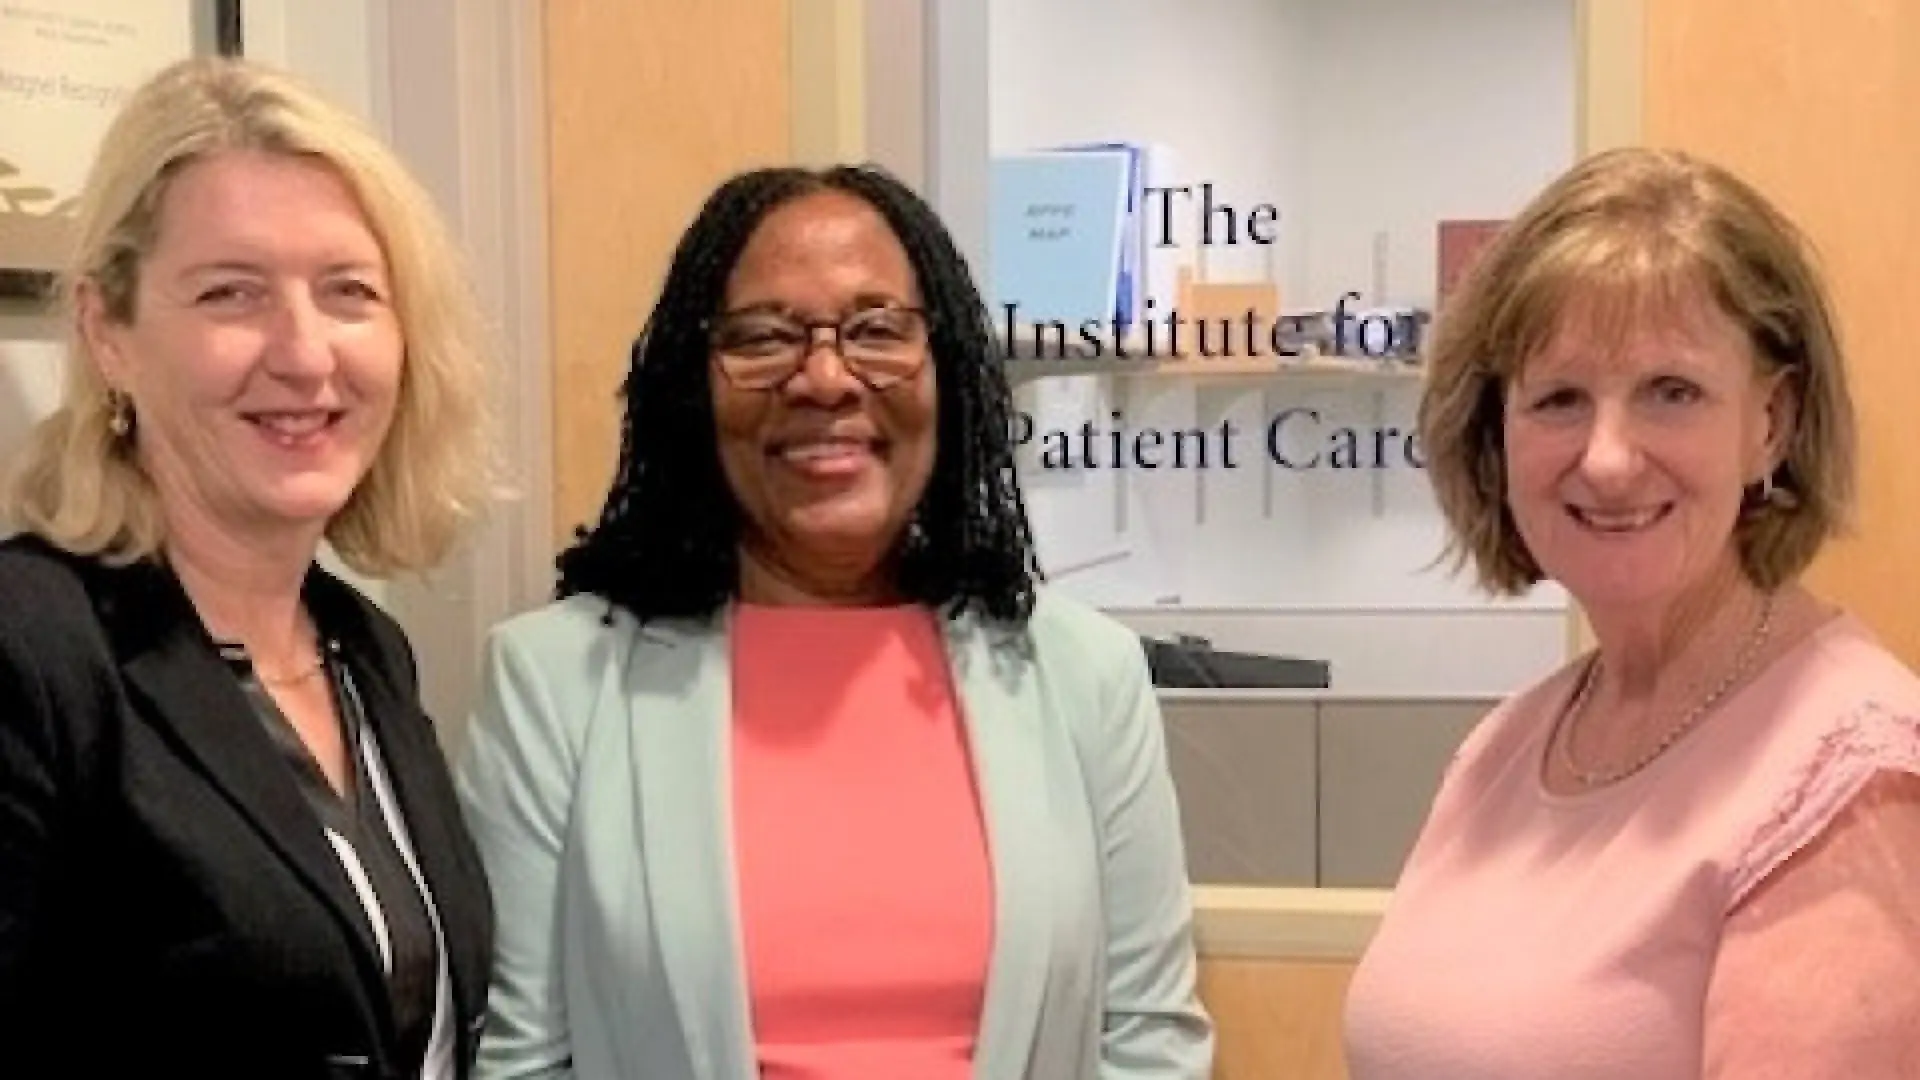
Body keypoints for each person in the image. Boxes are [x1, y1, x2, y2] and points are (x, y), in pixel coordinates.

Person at [453, 163, 1214, 1078]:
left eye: (876, 331)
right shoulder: (556, 684)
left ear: (951, 370)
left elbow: (1147, 1041)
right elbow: (520, 1062)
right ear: (694, 386)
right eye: (764, 338)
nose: (823, 377)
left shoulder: (1086, 673)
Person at [1342, 146, 1920, 1078]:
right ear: (1498, 431)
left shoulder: (1849, 783)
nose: (1607, 458)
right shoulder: (1506, 750)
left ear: (1768, 423)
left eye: (1671, 392)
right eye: (1560, 399)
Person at [0, 57, 498, 1078]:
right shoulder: (29, 647)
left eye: (349, 292)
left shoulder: (364, 652)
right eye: (233, 294)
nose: (306, 354)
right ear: (110, 333)